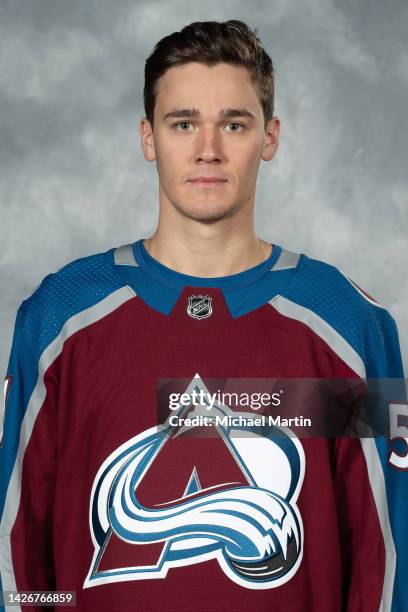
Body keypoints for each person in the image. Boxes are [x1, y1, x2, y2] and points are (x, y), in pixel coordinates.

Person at [0, 19, 407, 612]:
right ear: (148, 138)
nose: (207, 149)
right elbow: (17, 553)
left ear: (269, 137)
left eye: (234, 124)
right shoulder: (61, 318)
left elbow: (389, 557)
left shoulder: (348, 326)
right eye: (183, 123)